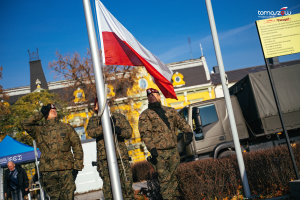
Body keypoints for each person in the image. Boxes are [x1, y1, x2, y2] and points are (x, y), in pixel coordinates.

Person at [138, 88, 193, 200]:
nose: (151, 97)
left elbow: (180, 122)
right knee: (165, 180)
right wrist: (151, 148)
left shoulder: (170, 111)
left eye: (153, 94)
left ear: (159, 96)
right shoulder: (145, 115)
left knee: (176, 177)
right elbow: (145, 133)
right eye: (149, 96)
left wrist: (188, 132)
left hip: (173, 151)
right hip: (158, 153)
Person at [21, 103, 84, 200]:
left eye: (55, 110)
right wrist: (41, 113)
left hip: (66, 170)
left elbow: (77, 146)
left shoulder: (66, 127)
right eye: (50, 110)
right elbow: (25, 124)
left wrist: (77, 167)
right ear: (45, 114)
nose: (53, 110)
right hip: (48, 172)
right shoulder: (39, 129)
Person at [86, 97, 134, 200]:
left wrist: (119, 131)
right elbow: (91, 133)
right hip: (104, 160)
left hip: (121, 157)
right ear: (96, 106)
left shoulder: (119, 117)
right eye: (100, 103)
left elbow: (129, 132)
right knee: (109, 189)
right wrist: (105, 125)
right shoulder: (94, 120)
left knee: (127, 186)